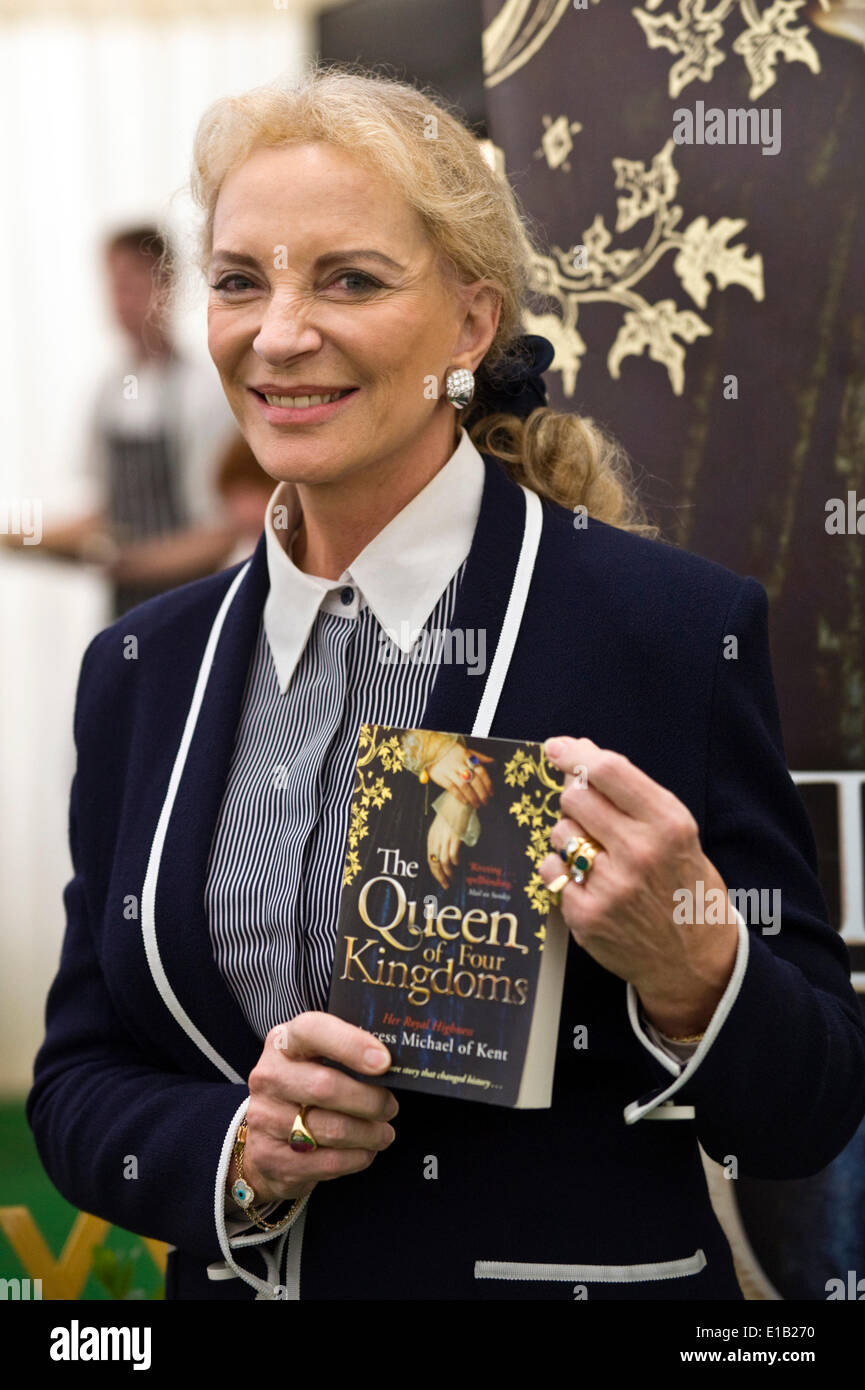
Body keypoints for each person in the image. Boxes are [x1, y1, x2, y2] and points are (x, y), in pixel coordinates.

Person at [27, 64, 865, 1302]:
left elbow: (810, 1108)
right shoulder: (144, 670)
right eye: (239, 280)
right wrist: (236, 1155)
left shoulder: (667, 631)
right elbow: (81, 1074)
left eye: (350, 279)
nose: (279, 332)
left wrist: (693, 963)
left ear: (471, 326)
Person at [2, 226, 239, 616]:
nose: (121, 301)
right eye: (113, 286)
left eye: (132, 284)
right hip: (124, 611)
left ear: (166, 286)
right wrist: (19, 535)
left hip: (190, 608)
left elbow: (221, 534)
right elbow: (102, 513)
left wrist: (129, 563)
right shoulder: (107, 392)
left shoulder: (202, 392)